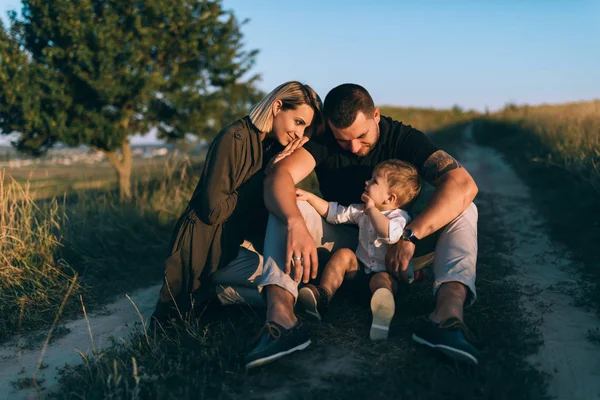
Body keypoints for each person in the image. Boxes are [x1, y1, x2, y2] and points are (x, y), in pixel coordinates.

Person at [246, 83, 479, 369]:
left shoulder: (405, 139)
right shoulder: (324, 141)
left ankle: (446, 318)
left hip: (399, 244)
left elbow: (463, 184)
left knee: (465, 207)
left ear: (376, 116)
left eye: (361, 136)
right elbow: (278, 178)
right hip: (346, 240)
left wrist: (410, 235)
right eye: (344, 140)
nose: (354, 147)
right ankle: (282, 321)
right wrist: (295, 222)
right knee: (292, 203)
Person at [151, 81, 324, 323]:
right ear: (277, 107)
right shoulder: (233, 138)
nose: (299, 133)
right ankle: (214, 290)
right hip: (208, 248)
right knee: (280, 280)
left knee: (287, 276)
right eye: (298, 122)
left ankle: (221, 294)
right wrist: (265, 176)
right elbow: (213, 211)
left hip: (236, 243)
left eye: (305, 129)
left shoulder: (272, 146)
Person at [295, 159, 422, 341]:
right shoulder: (362, 210)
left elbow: (390, 236)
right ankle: (323, 296)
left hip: (389, 279)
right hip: (360, 274)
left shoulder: (399, 218)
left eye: (374, 181)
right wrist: (310, 197)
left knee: (380, 279)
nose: (366, 182)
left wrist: (372, 211)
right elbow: (335, 213)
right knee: (344, 254)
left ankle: (381, 311)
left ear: (390, 198)